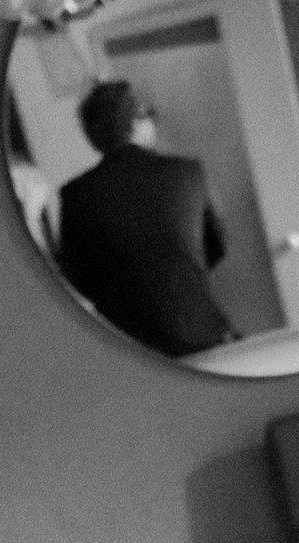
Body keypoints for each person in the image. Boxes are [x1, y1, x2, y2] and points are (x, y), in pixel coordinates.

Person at [55, 79, 234, 359]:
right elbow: (217, 247)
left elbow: (79, 280)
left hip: (129, 347)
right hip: (201, 333)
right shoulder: (187, 173)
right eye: (149, 114)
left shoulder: (75, 195)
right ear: (135, 122)